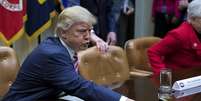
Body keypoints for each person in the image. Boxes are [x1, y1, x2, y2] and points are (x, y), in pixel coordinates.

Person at [2, 6, 134, 101]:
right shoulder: (52, 54)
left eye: (90, 31)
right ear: (63, 33)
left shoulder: (60, 46)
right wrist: (122, 100)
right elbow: (79, 86)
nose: (88, 37)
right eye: (82, 31)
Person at [147, 0, 201, 76]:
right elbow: (153, 52)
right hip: (179, 80)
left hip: (195, 78)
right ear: (192, 19)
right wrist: (163, 76)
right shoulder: (179, 34)